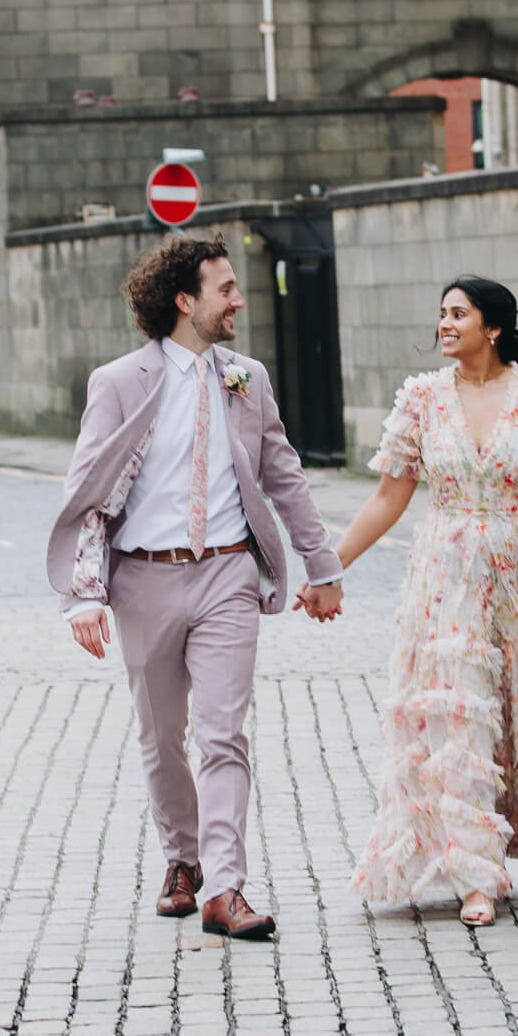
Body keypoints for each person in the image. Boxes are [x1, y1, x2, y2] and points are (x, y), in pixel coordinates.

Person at [296, 275, 518, 927]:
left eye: (456, 314)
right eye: (440, 313)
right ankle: (473, 876)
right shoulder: (421, 399)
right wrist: (328, 566)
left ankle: (505, 842)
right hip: (445, 579)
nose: (443, 324)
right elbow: (388, 497)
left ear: (490, 327)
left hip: (517, 572)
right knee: (457, 717)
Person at [46, 234, 343, 940]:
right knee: (161, 736)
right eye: (226, 289)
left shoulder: (246, 377)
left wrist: (320, 562)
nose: (239, 300)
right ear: (185, 302)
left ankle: (226, 887)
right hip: (144, 578)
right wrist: (83, 594)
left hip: (228, 574)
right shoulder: (118, 382)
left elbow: (283, 474)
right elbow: (87, 492)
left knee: (222, 734)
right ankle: (181, 860)